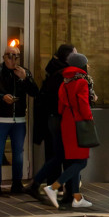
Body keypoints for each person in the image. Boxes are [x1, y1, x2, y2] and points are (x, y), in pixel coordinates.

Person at [0, 46, 38, 195]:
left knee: (18, 152)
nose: (13, 59)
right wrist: (1, 97)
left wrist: (26, 78)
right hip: (0, 118)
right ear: (4, 57)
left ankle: (17, 184)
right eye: (10, 56)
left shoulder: (23, 72)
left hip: (18, 119)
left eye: (17, 56)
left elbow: (34, 92)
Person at [42, 51, 94, 209]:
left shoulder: (65, 82)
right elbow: (84, 105)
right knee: (81, 161)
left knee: (73, 160)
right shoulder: (82, 82)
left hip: (66, 123)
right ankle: (54, 187)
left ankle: (76, 197)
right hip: (79, 123)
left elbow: (60, 105)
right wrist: (89, 120)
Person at [28, 44, 75, 200]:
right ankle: (61, 188)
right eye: (74, 53)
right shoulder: (64, 74)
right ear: (67, 57)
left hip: (52, 119)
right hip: (61, 118)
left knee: (57, 154)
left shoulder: (53, 70)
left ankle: (54, 186)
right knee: (68, 157)